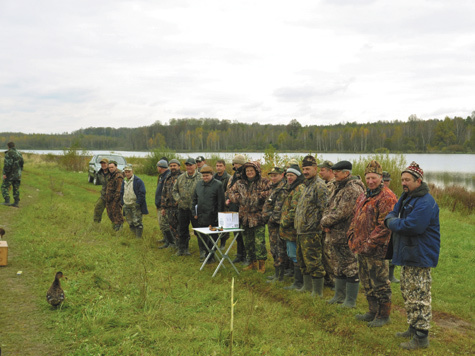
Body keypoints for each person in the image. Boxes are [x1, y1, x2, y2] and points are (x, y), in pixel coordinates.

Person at [385, 162, 440, 350]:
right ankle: (413, 327)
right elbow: (392, 213)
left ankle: (421, 337)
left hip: (420, 254)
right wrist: (392, 219)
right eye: (402, 180)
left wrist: (392, 223)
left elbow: (413, 226)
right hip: (408, 252)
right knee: (408, 292)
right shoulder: (406, 196)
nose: (403, 183)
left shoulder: (426, 202)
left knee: (420, 295)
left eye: (407, 180)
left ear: (419, 181)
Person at [347, 160, 398, 327]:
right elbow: (356, 217)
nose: (370, 181)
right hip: (361, 247)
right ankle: (372, 311)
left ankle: (384, 315)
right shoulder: (364, 194)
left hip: (378, 250)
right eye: (368, 178)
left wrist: (369, 244)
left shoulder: (387, 197)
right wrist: (351, 235)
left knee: (380, 282)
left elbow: (385, 226)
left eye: (373, 178)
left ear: (381, 177)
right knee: (366, 281)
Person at [321, 160, 365, 307]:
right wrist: (326, 222)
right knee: (338, 265)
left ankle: (350, 300)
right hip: (335, 233)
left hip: (347, 234)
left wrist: (324, 222)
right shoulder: (338, 186)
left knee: (350, 266)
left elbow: (342, 212)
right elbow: (329, 207)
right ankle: (339, 296)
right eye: (334, 171)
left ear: (346, 173)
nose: (334, 174)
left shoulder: (352, 189)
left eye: (337, 172)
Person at [294, 155, 328, 298]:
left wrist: (317, 227)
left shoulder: (319, 186)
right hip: (301, 231)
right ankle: (307, 287)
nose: (305, 172)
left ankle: (317, 291)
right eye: (303, 169)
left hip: (312, 232)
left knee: (313, 261)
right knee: (302, 260)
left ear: (315, 169)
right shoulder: (305, 186)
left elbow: (324, 209)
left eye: (308, 169)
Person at [228, 161, 270, 273]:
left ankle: (262, 265)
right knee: (248, 242)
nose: (249, 172)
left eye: (251, 170)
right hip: (244, 217)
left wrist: (259, 197)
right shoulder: (240, 182)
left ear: (256, 171)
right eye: (247, 171)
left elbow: (270, 192)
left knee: (259, 242)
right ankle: (252, 263)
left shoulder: (264, 182)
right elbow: (230, 192)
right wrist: (238, 198)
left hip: (258, 217)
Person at [192, 166, 225, 263]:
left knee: (212, 237)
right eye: (203, 176)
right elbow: (194, 200)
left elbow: (221, 203)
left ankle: (211, 255)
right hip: (200, 215)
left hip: (213, 216)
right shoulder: (198, 185)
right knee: (202, 236)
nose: (205, 177)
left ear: (211, 175)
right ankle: (204, 253)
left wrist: (219, 216)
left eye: (207, 176)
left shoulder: (218, 185)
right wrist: (194, 213)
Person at [280, 164, 305, 289]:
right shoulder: (291, 187)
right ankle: (297, 281)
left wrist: (284, 222)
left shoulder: (299, 188)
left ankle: (298, 282)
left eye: (292, 175)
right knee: (292, 253)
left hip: (293, 228)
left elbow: (294, 210)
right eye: (288, 175)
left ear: (297, 176)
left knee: (295, 255)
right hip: (289, 229)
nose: (289, 178)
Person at [172, 158, 203, 257]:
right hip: (183, 208)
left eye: (191, 165)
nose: (189, 167)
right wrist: (178, 199)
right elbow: (174, 190)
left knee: (199, 231)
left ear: (195, 166)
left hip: (196, 210)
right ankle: (182, 249)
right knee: (182, 230)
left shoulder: (201, 177)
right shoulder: (181, 177)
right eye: (187, 165)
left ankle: (202, 250)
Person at [263, 166, 288, 282]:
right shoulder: (274, 187)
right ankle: (276, 273)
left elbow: (279, 208)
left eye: (275, 175)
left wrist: (270, 218)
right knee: (273, 248)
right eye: (271, 176)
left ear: (282, 175)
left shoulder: (283, 189)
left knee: (279, 249)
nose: (273, 178)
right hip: (272, 223)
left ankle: (280, 276)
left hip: (277, 224)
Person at [225, 154, 247, 264]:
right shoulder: (233, 175)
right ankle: (239, 255)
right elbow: (229, 189)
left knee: (244, 232)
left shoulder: (245, 174)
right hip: (233, 207)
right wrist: (227, 198)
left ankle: (246, 256)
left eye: (237, 163)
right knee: (236, 232)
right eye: (234, 163)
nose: (235, 165)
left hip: (242, 207)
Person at [317, 160, 336, 288]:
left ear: (330, 171)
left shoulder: (334, 185)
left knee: (330, 254)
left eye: (322, 170)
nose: (320, 172)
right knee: (324, 252)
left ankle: (335, 281)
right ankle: (329, 279)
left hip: (332, 226)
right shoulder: (325, 184)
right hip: (324, 224)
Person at [121, 164, 149, 238]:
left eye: (128, 172)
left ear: (132, 171)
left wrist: (138, 203)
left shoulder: (138, 181)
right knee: (130, 221)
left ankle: (138, 237)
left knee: (137, 221)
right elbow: (121, 192)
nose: (127, 173)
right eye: (126, 172)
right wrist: (122, 202)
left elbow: (142, 193)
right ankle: (133, 235)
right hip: (126, 204)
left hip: (135, 204)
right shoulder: (124, 181)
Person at [160, 159, 182, 249]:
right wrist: (163, 207)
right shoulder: (168, 177)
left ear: (179, 166)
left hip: (179, 207)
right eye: (171, 166)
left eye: (174, 166)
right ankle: (175, 244)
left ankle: (182, 246)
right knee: (171, 226)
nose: (173, 167)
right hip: (169, 207)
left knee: (180, 227)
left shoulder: (182, 177)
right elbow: (164, 192)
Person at [383, 170, 400, 283]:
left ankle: (390, 275)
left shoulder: (391, 194)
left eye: (388, 181)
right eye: (385, 180)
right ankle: (385, 276)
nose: (386, 183)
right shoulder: (374, 192)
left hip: (390, 224)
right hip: (381, 226)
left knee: (391, 251)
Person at [155, 160, 173, 247]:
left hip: (164, 205)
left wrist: (163, 205)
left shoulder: (167, 176)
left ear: (160, 167)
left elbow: (166, 192)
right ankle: (166, 239)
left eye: (157, 167)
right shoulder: (162, 176)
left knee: (165, 224)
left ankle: (170, 242)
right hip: (160, 204)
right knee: (162, 224)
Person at [214, 159, 231, 249]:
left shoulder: (228, 178)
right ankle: (214, 241)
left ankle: (223, 243)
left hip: (224, 204)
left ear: (224, 167)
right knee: (215, 223)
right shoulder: (213, 177)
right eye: (217, 166)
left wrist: (224, 199)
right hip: (214, 204)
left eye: (220, 166)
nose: (218, 168)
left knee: (223, 225)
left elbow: (229, 191)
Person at [1, 142, 24, 208]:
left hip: (10, 174)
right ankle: (16, 202)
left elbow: (7, 165)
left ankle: (7, 201)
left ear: (8, 146)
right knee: (16, 188)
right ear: (14, 146)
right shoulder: (19, 153)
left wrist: (5, 173)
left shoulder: (9, 153)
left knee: (4, 187)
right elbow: (22, 163)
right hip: (18, 174)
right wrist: (20, 171)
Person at [105, 160, 124, 231]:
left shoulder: (118, 176)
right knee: (110, 213)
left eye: (112, 167)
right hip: (109, 198)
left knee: (117, 213)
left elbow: (119, 190)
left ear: (116, 167)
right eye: (109, 167)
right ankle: (115, 226)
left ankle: (119, 228)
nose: (111, 169)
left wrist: (115, 201)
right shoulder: (110, 175)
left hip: (116, 199)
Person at [93, 158, 110, 223]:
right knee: (97, 208)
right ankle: (96, 224)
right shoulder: (100, 173)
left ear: (108, 164)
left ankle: (116, 228)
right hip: (103, 196)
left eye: (104, 163)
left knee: (113, 213)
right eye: (102, 163)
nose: (103, 165)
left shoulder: (112, 172)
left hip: (112, 197)